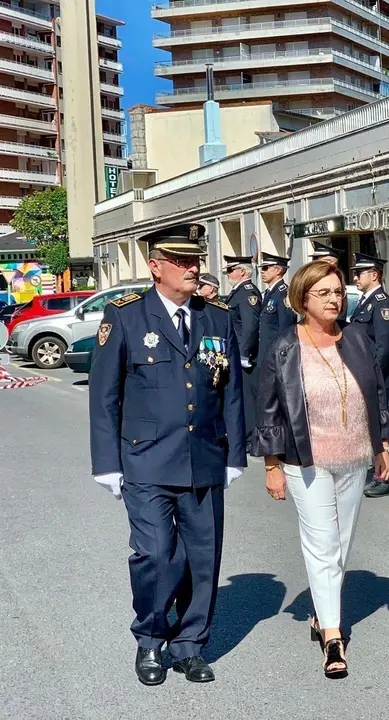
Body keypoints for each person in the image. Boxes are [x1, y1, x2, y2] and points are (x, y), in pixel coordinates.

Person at [89, 223, 245, 686]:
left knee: (203, 556)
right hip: (146, 460)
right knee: (156, 555)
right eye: (182, 261)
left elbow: (232, 390)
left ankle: (190, 644)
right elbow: (105, 396)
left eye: (196, 259)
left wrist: (234, 453)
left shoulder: (216, 316)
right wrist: (107, 464)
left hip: (203, 459)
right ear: (156, 267)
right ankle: (151, 640)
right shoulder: (125, 317)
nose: (193, 267)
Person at [252, 260, 389, 679]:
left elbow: (377, 394)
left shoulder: (357, 338)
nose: (335, 299)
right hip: (303, 459)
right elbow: (269, 409)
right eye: (325, 293)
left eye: (338, 292)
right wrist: (271, 464)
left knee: (342, 542)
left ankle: (321, 611)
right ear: (303, 298)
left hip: (354, 456)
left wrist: (383, 443)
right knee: (322, 541)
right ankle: (333, 634)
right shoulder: (284, 346)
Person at [347, 251, 389, 498]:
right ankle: (377, 469)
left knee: (383, 426)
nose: (356, 277)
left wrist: (371, 376)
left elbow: (382, 347)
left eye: (359, 273)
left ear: (374, 274)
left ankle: (386, 477)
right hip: (363, 375)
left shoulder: (382, 305)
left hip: (376, 377)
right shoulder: (365, 301)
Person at [223, 255, 262, 450]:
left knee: (248, 398)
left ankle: (252, 439)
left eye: (231, 270)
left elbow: (250, 326)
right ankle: (248, 436)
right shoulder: (237, 292)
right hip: (237, 352)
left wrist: (245, 354)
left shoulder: (247, 293)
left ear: (243, 272)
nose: (228, 274)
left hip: (245, 355)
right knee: (243, 397)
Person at [257, 252, 296, 357]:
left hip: (275, 352)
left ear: (278, 270)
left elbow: (285, 327)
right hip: (264, 350)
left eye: (265, 268)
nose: (262, 271)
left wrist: (281, 353)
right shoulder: (269, 293)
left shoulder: (284, 293)